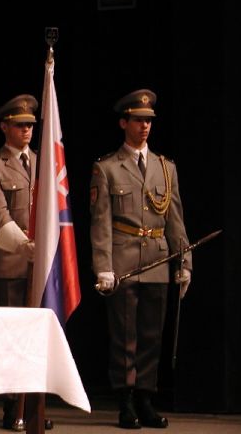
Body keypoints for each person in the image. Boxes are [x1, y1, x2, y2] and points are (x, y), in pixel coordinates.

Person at [90, 88, 192, 429]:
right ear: (124, 123)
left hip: (158, 261)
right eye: (138, 120)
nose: (145, 126)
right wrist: (103, 266)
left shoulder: (165, 167)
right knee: (125, 337)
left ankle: (146, 399)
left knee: (151, 336)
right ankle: (126, 402)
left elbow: (175, 220)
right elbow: (101, 222)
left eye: (148, 120)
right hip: (123, 261)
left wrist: (184, 262)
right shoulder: (107, 167)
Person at [0, 94, 52, 431]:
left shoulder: (43, 164)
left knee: (35, 339)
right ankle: (12, 405)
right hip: (9, 262)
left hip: (40, 265)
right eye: (20, 125)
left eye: (30, 125)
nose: (26, 131)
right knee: (9, 339)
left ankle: (34, 404)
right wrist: (24, 245)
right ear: (5, 127)